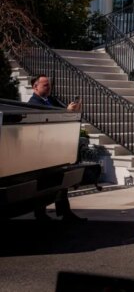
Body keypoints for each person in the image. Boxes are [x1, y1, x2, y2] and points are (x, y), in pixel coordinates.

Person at [28, 74, 86, 222]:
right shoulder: (33, 103)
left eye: (49, 85)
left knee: (61, 181)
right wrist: (66, 111)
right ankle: (40, 213)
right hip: (42, 149)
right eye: (45, 85)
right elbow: (46, 120)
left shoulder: (51, 100)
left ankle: (65, 212)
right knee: (43, 183)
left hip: (56, 147)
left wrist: (75, 110)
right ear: (35, 87)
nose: (49, 88)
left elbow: (64, 115)